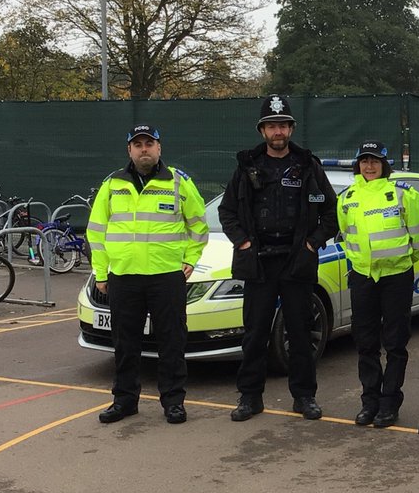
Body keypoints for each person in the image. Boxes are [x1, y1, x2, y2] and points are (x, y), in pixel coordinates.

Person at [218, 94, 337, 422]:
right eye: (272, 126)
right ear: (262, 131)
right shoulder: (247, 167)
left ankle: (304, 397)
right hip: (258, 263)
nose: (278, 131)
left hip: (296, 261)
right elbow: (227, 211)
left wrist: (312, 244)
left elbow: (327, 209)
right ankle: (250, 398)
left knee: (299, 332)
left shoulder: (307, 167)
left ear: (291, 128)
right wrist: (242, 243)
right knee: (254, 333)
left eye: (283, 125)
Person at [88, 124, 208, 425]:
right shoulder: (112, 184)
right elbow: (96, 232)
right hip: (124, 277)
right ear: (129, 150)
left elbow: (198, 226)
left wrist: (191, 260)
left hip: (166, 276)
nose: (144, 149)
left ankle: (173, 402)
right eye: (138, 144)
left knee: (172, 342)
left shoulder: (179, 183)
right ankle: (125, 400)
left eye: (149, 144)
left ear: (159, 148)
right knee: (125, 344)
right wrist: (101, 273)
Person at [337, 140, 419, 428]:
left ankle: (390, 403)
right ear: (358, 164)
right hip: (362, 277)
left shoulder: (405, 195)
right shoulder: (346, 197)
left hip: (396, 277)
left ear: (385, 164)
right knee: (365, 344)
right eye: (364, 160)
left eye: (375, 160)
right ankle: (370, 402)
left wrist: (400, 262)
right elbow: (345, 233)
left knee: (395, 343)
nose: (369, 166)